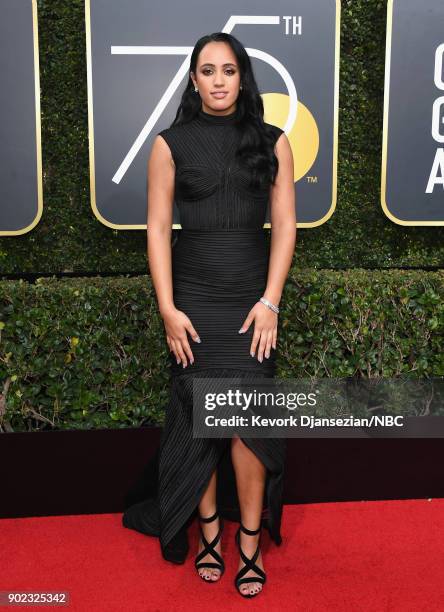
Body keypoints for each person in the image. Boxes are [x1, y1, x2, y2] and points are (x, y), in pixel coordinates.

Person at [122, 31, 296, 598]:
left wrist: (270, 301)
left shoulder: (273, 141)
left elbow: (285, 227)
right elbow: (155, 230)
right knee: (202, 424)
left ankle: (249, 545)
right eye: (207, 70)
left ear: (243, 77)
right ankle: (211, 536)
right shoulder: (169, 144)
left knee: (247, 428)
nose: (218, 80)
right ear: (193, 79)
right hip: (194, 303)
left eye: (228, 70)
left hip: (251, 306)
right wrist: (168, 309)